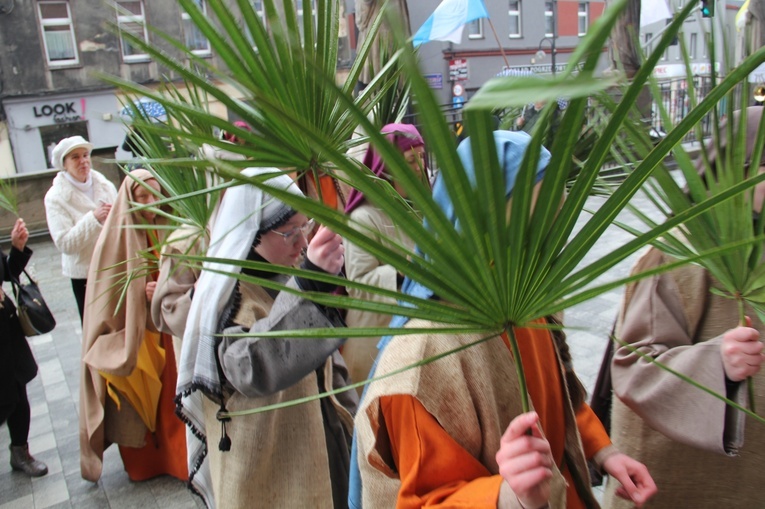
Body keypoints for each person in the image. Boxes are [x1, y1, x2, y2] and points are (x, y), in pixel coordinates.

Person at [352, 131, 657, 509]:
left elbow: (558, 393)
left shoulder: (527, 305)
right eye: (529, 231)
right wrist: (509, 495)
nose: (547, 250)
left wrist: (603, 451)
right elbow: (425, 500)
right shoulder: (419, 359)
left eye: (553, 229)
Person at [604, 106, 765, 508]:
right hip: (685, 486)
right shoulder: (679, 253)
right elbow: (635, 366)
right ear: (738, 173)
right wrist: (717, 364)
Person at [177, 167, 358, 509]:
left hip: (320, 438)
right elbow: (250, 366)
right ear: (254, 233)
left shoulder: (283, 273)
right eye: (290, 233)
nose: (302, 243)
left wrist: (354, 418)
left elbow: (328, 365)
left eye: (305, 228)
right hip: (268, 466)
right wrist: (309, 282)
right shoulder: (228, 296)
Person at [79, 169, 187, 483]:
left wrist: (165, 287)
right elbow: (105, 297)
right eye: (142, 197)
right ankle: (146, 464)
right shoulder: (113, 239)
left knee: (172, 401)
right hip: (135, 339)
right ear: (129, 199)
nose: (151, 202)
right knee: (143, 406)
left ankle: (178, 460)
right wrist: (139, 295)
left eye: (155, 195)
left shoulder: (171, 226)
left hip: (167, 331)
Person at [343, 123, 427, 389]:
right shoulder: (364, 217)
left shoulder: (419, 207)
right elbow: (358, 281)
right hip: (375, 343)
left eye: (422, 157)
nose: (419, 167)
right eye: (410, 160)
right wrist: (406, 270)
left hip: (414, 338)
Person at [44, 136, 117, 322]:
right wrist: (93, 219)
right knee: (96, 329)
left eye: (85, 155)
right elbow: (64, 243)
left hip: (114, 266)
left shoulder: (106, 185)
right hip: (85, 274)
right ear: (64, 164)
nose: (83, 161)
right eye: (75, 157)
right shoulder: (55, 197)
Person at [0, 218, 48, 477]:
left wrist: (17, 249)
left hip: (5, 329)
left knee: (17, 389)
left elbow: (7, 273)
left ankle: (20, 452)